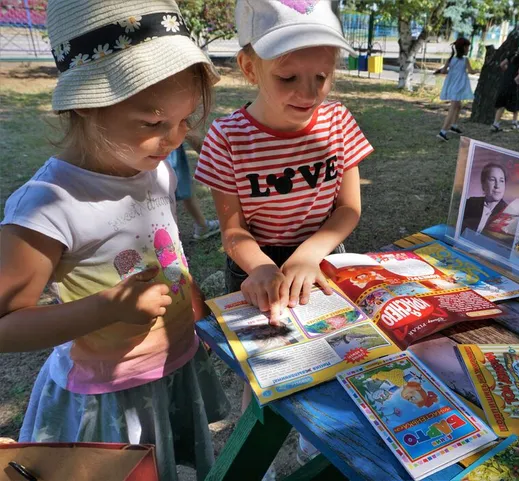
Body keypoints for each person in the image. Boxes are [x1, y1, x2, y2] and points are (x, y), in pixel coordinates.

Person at [0, 2, 230, 480]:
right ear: (86, 103)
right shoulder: (49, 204)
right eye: (153, 123)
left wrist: (198, 317)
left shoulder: (155, 171)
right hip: (109, 395)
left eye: (185, 120)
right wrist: (110, 307)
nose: (174, 139)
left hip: (174, 363)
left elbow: (168, 255)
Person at [194, 0, 373, 471]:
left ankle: (323, 442)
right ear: (249, 67)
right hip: (257, 264)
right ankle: (261, 455)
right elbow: (234, 230)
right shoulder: (228, 138)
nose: (308, 93)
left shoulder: (338, 123)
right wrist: (262, 267)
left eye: (322, 77)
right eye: (288, 77)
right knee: (265, 368)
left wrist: (310, 253)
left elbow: (349, 208)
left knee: (332, 354)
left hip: (323, 253)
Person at [166, 138, 220, 240]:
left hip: (159, 149)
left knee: (180, 184)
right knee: (171, 188)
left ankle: (201, 225)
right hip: (167, 148)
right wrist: (208, 157)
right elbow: (191, 134)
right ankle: (170, 238)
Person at [435, 37, 480, 141]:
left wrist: (448, 71)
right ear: (463, 48)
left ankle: (454, 126)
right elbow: (471, 71)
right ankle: (443, 132)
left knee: (458, 106)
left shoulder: (451, 59)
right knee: (453, 108)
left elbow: (443, 71)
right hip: (458, 86)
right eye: (467, 47)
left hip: (453, 86)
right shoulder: (465, 60)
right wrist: (478, 70)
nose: (468, 49)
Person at [491, 36, 519, 132]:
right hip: (514, 82)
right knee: (516, 101)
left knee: (502, 102)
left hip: (505, 80)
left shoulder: (512, 54)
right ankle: (514, 122)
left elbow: (502, 64)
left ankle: (495, 123)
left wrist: (507, 71)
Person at [461, 163, 511, 242]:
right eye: (492, 180)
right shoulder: (470, 203)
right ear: (483, 184)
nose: (497, 186)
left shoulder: (508, 214)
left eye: (501, 181)